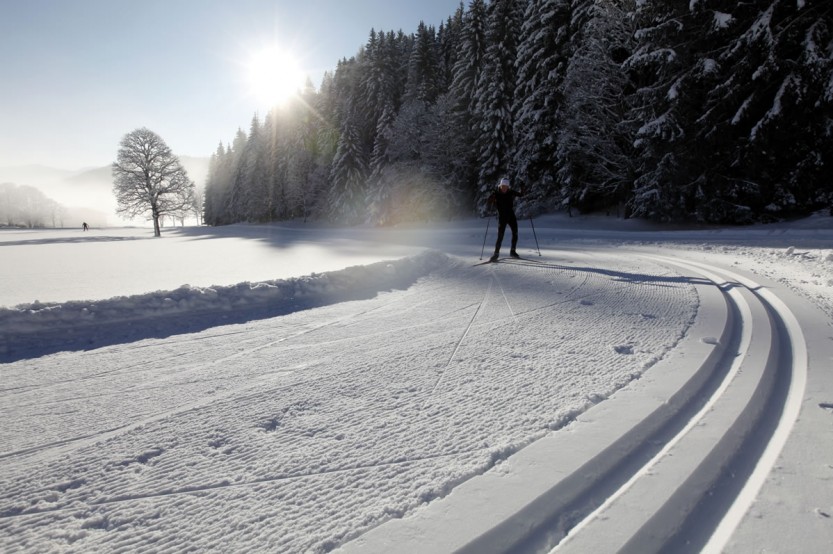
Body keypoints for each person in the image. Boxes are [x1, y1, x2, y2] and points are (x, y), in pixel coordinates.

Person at [487, 177, 524, 262]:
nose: (504, 188)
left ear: (508, 187)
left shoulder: (510, 192)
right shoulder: (496, 193)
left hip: (511, 215)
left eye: (506, 186)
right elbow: (489, 202)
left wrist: (522, 187)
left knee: (515, 233)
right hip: (502, 217)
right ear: (500, 186)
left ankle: (513, 251)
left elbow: (521, 195)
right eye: (503, 186)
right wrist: (491, 198)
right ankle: (496, 254)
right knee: (500, 236)